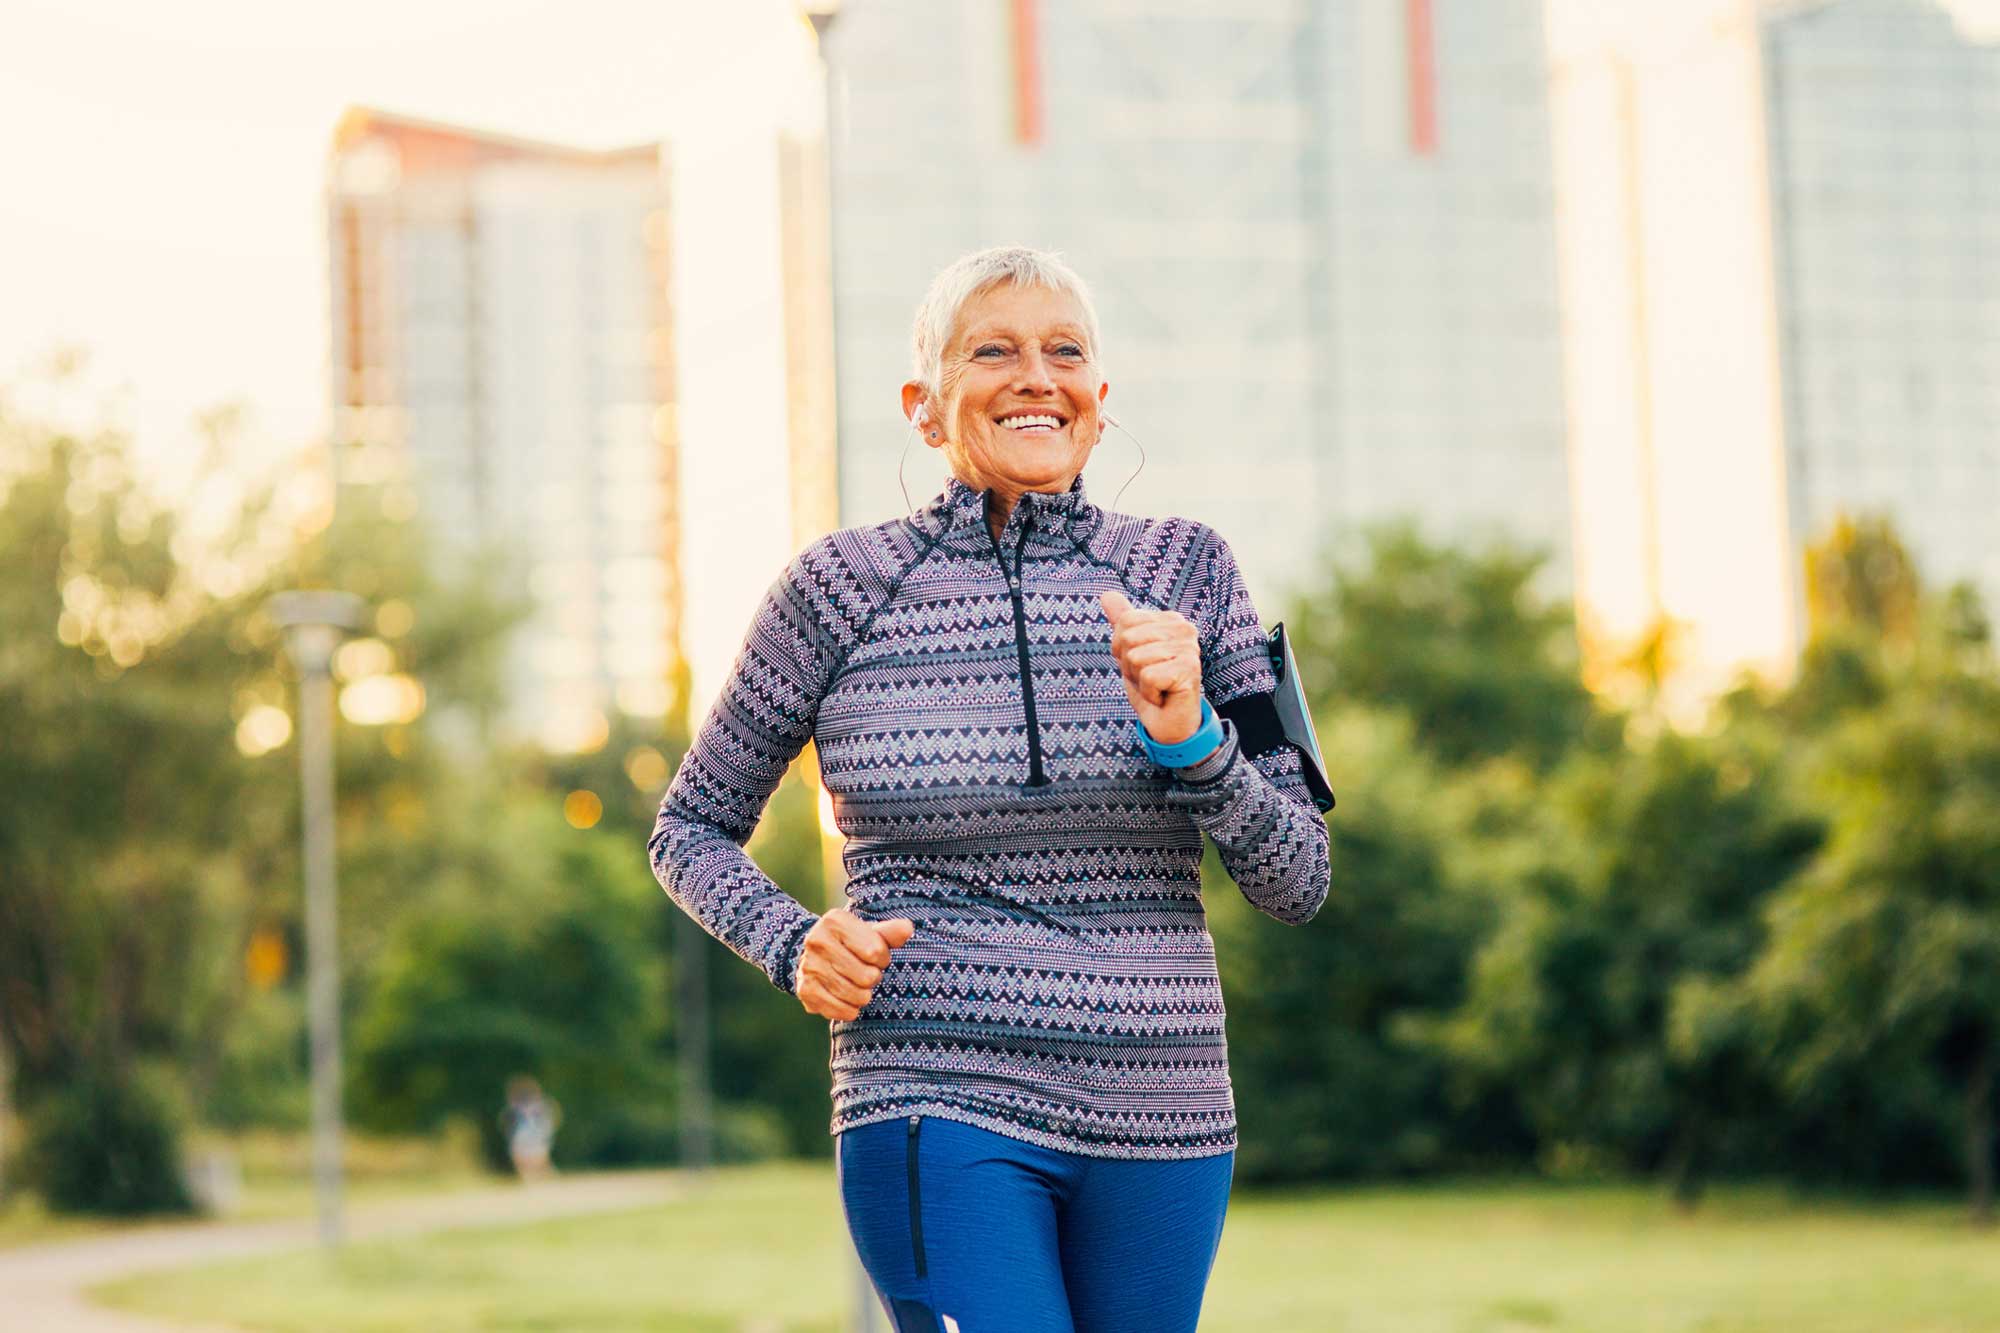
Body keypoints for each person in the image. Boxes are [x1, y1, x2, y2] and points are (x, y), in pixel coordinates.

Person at [649, 245, 1331, 1333]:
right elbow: (687, 828)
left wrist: (1192, 737)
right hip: (931, 1087)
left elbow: (1298, 876)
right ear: (923, 406)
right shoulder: (835, 590)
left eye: (1064, 351)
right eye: (993, 350)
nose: (1034, 375)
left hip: (1163, 1104)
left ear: (1097, 404)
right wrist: (792, 942)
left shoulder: (1189, 573)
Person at [500, 1074, 560, 1183]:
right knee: (528, 1162)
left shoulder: (538, 1107)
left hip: (533, 1137)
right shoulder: (520, 1108)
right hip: (527, 1138)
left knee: (538, 1163)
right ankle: (534, 1181)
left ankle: (549, 1181)